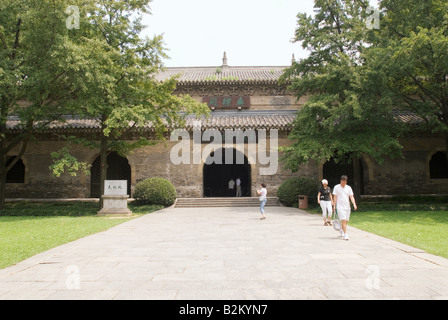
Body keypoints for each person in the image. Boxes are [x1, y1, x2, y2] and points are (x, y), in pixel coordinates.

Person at [332, 175, 357, 240]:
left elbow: (351, 196)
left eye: (344, 181)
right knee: (343, 220)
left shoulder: (348, 188)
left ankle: (342, 230)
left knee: (346, 221)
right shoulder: (336, 187)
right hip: (340, 206)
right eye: (342, 181)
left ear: (346, 181)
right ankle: (346, 234)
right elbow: (335, 197)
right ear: (340, 181)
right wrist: (334, 205)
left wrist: (354, 204)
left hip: (347, 206)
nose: (343, 182)